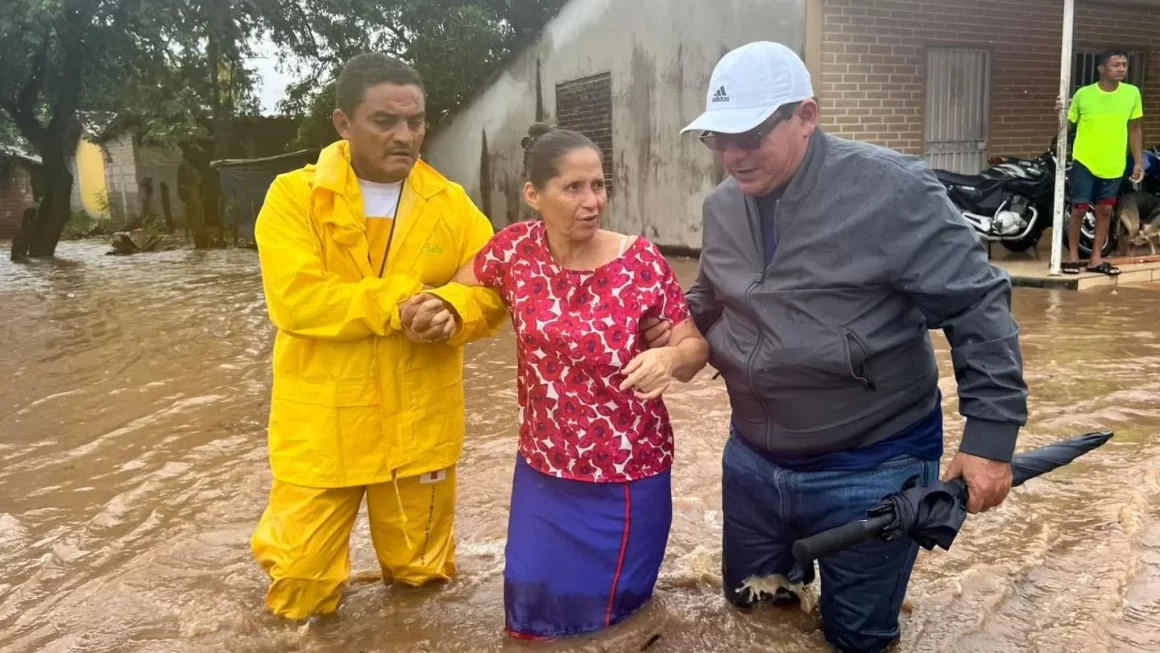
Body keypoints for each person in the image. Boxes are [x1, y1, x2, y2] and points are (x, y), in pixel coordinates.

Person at [642, 42, 1028, 652]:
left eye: (749, 133)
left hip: (872, 464)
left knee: (858, 640)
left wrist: (990, 440)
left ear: (806, 116)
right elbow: (713, 296)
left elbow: (977, 306)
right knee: (757, 616)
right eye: (717, 137)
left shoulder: (894, 191)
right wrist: (675, 330)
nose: (732, 154)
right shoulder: (722, 206)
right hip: (752, 461)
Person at [250, 52, 507, 621]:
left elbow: (493, 286)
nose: (405, 135)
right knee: (300, 592)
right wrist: (400, 304)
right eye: (385, 121)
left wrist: (451, 308)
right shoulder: (294, 198)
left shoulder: (452, 205)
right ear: (343, 124)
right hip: (325, 428)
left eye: (415, 121)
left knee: (423, 583)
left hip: (421, 428)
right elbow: (295, 300)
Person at [427, 123, 710, 639]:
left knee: (612, 625)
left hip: (626, 470)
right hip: (543, 469)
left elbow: (695, 349)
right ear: (533, 194)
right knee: (528, 614)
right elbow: (459, 290)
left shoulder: (640, 260)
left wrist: (668, 360)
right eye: (573, 188)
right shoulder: (513, 251)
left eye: (599, 185)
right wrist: (440, 308)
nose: (591, 201)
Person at [1058, 48, 1144, 276]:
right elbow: (1067, 127)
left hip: (1114, 162)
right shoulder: (1083, 95)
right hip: (1084, 160)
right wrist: (1060, 112)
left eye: (1124, 65)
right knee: (1079, 208)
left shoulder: (1132, 93)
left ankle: (1096, 258)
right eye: (1116, 65)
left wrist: (1138, 161)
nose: (1121, 69)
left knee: (1105, 209)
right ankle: (1074, 257)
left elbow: (1134, 129)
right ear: (1101, 69)